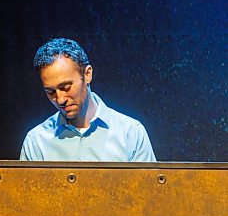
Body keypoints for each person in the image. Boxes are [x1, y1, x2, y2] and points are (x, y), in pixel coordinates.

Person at [20, 37, 156, 162]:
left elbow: (149, 188)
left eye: (66, 87)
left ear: (87, 74)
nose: (60, 99)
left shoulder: (130, 134)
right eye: (51, 92)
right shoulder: (36, 142)